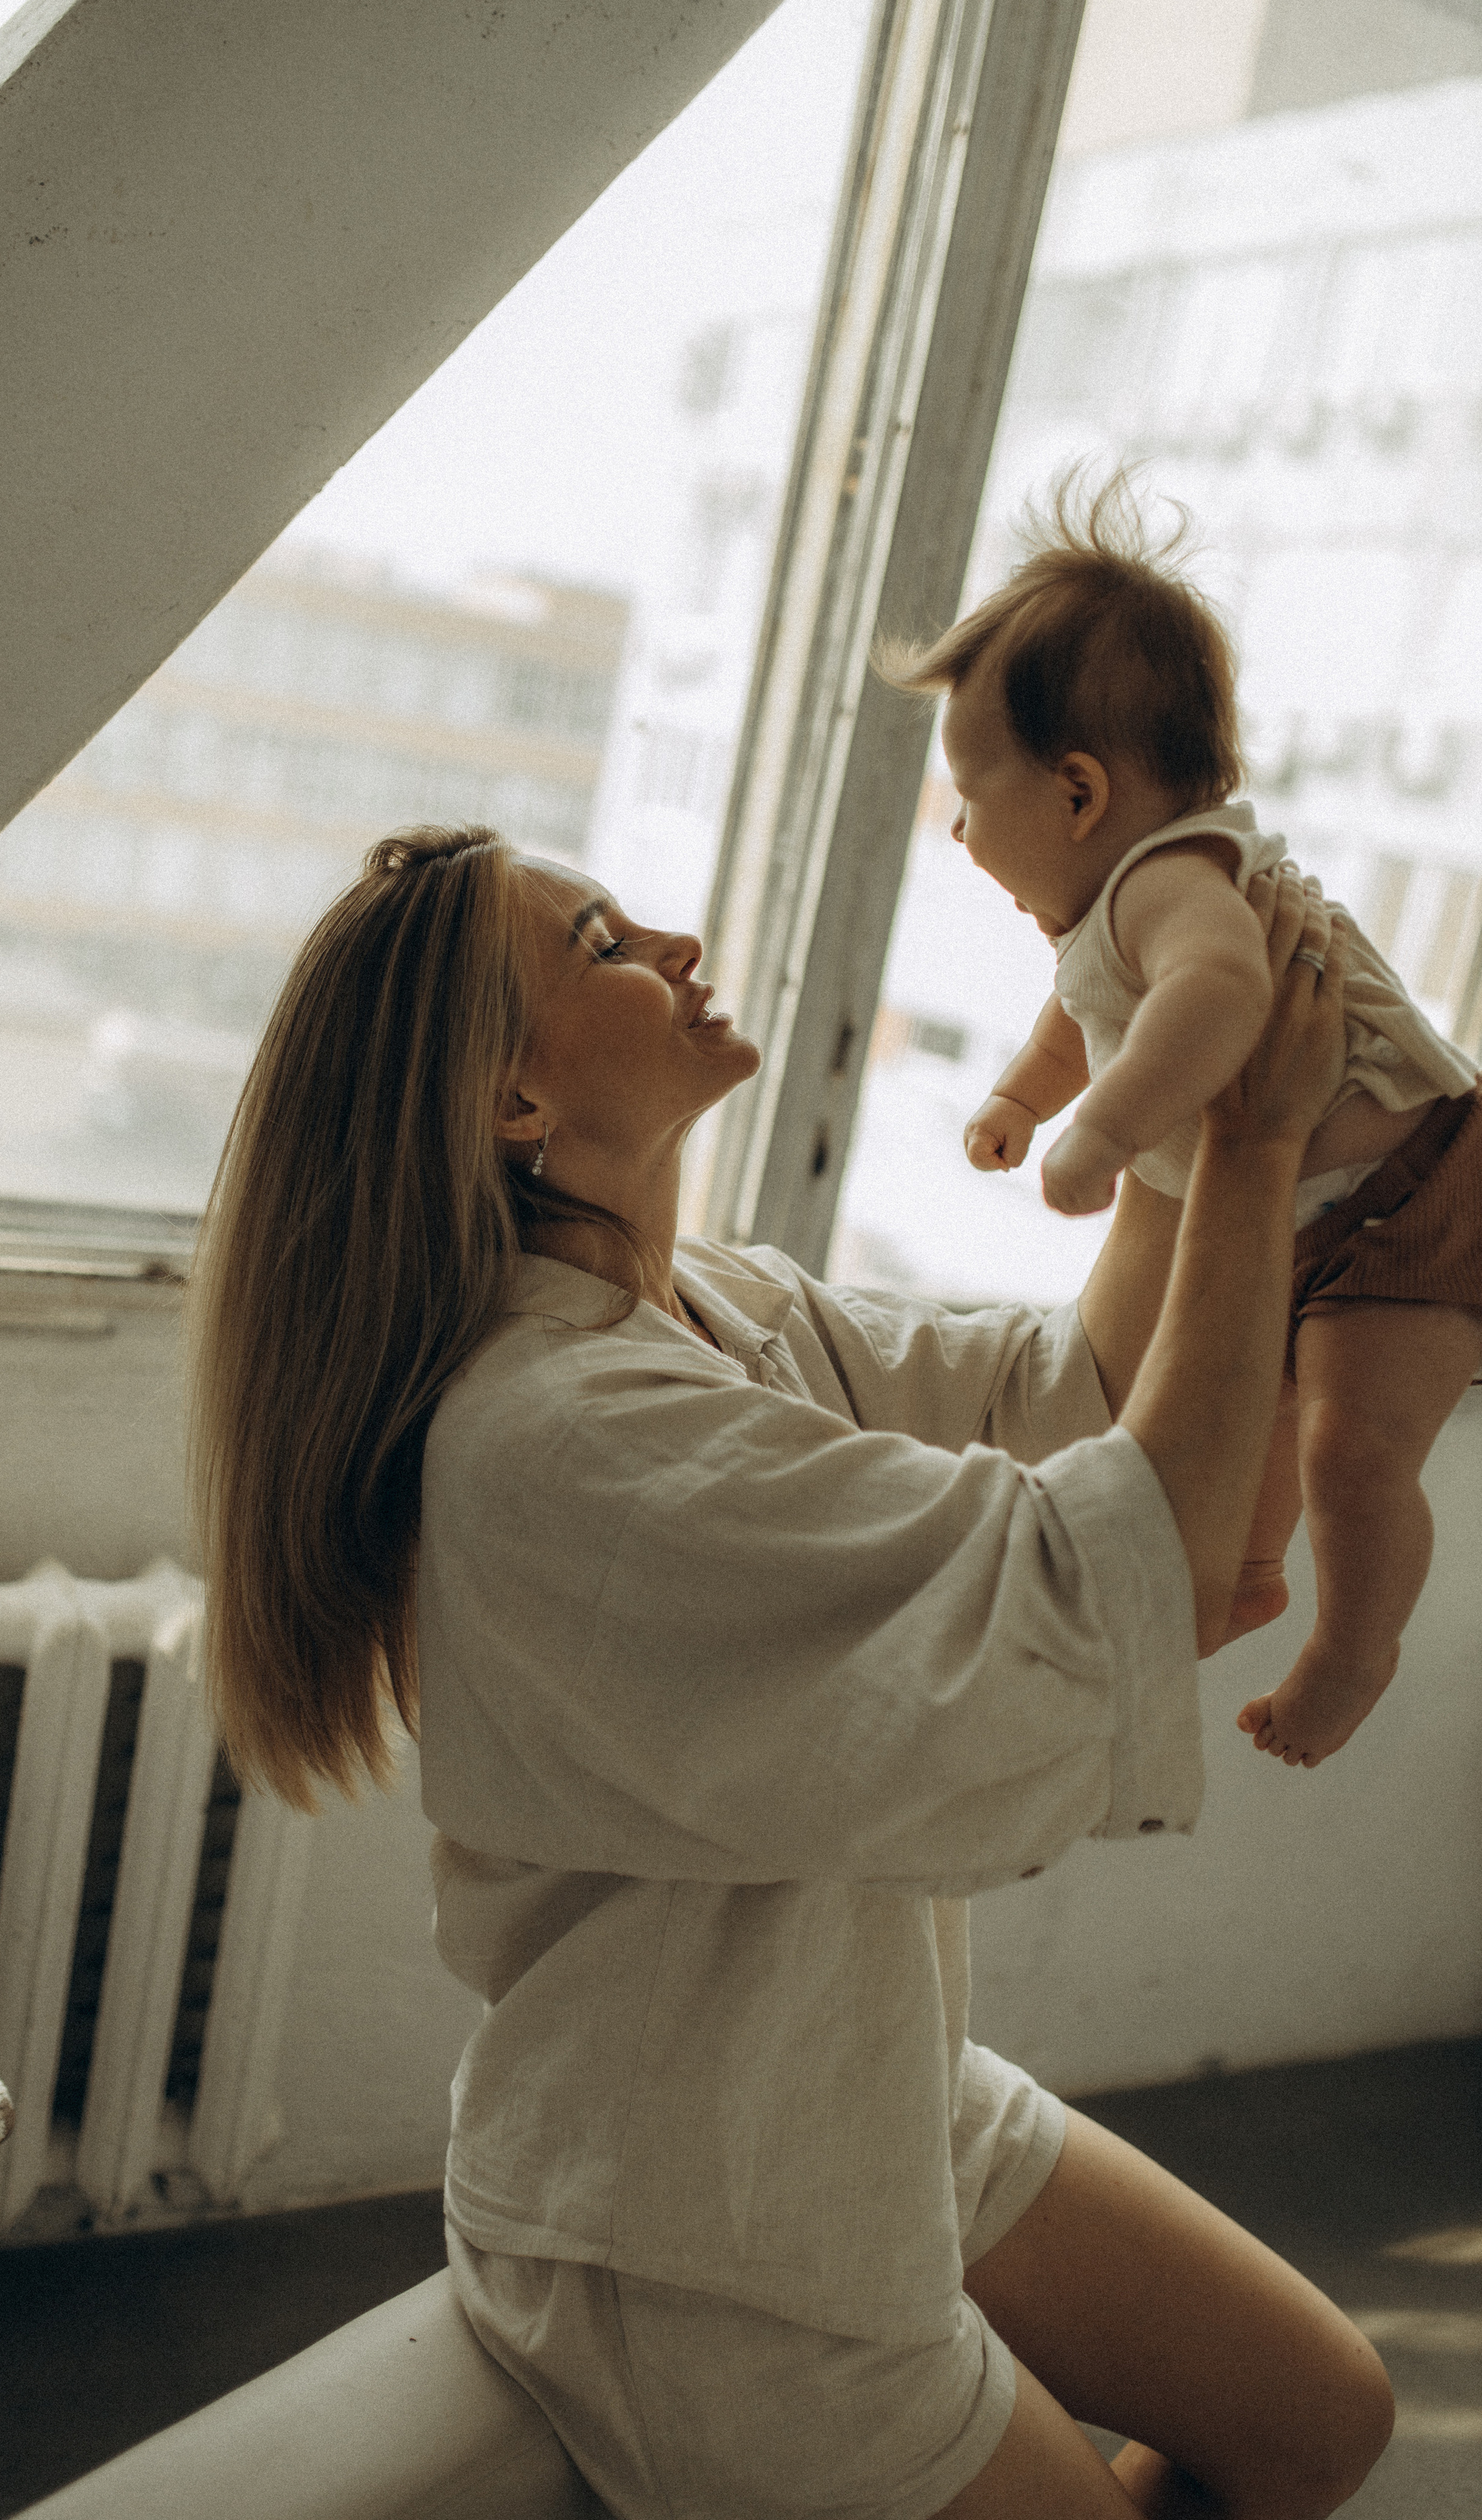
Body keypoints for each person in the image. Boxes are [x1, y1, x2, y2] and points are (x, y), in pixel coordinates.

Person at [188, 824, 1393, 2517]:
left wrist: (1176, 1089)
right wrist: (1260, 1144)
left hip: (852, 2079)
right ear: (512, 1107)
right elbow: (1107, 1568)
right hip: (698, 2226)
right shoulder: (548, 1439)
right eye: (602, 942)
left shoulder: (714, 1311)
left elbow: (1084, 1391)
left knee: (1321, 2420)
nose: (676, 942)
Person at [879, 476, 1482, 1771]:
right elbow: (1080, 1017)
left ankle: (1347, 1656)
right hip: (1306, 1221)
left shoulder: (1175, 882)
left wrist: (1097, 1135)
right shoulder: (1111, 915)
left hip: (1419, 1191)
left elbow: (1215, 997)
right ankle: (1245, 1572)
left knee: (1353, 1450)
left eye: (968, 796)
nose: (958, 828)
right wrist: (1012, 1098)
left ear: (1079, 793)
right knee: (1247, 1412)